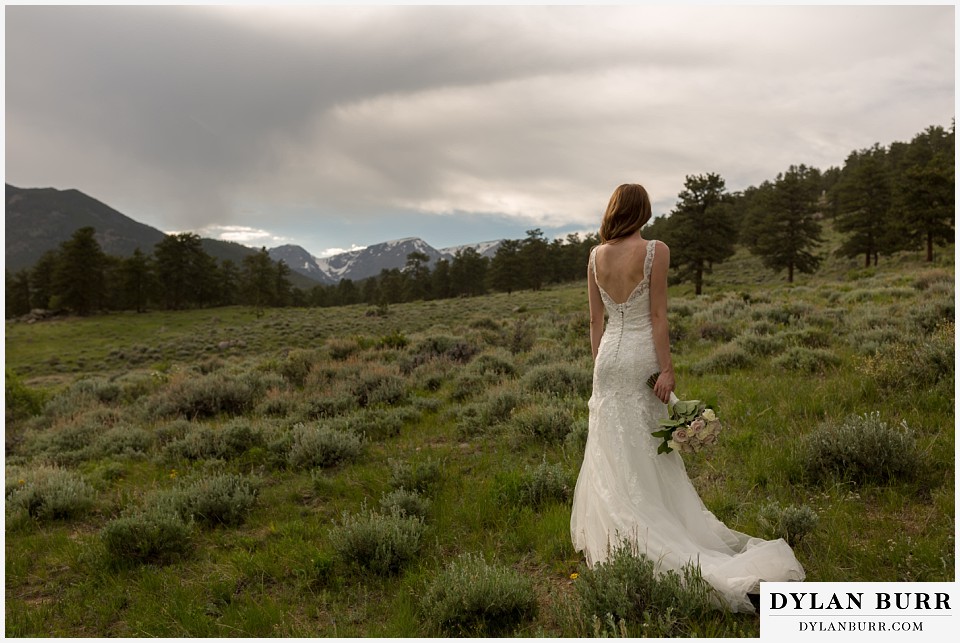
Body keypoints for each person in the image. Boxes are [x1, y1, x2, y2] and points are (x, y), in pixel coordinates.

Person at [569, 183, 805, 614]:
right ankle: (664, 535)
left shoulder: (595, 256)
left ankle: (620, 540)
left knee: (613, 451)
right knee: (650, 450)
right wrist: (668, 369)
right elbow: (658, 315)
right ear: (642, 211)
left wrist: (601, 368)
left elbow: (594, 320)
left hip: (607, 364)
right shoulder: (655, 249)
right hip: (641, 357)